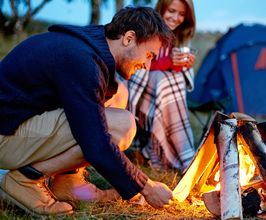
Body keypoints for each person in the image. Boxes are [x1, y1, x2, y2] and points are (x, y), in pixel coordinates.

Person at [0, 6, 174, 216]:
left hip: (19, 119)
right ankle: (25, 179)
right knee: (122, 125)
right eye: (148, 55)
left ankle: (68, 181)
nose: (147, 64)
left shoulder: (90, 46)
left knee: (119, 95)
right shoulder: (83, 61)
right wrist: (146, 187)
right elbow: (95, 141)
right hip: (6, 136)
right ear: (128, 38)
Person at [126, 0, 196, 171]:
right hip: (139, 89)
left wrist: (185, 66)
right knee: (161, 79)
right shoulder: (147, 30)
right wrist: (169, 62)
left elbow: (174, 70)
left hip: (161, 94)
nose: (176, 18)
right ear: (161, 9)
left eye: (181, 14)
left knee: (173, 79)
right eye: (171, 11)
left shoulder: (180, 37)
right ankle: (186, 157)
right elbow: (136, 64)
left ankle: (154, 150)